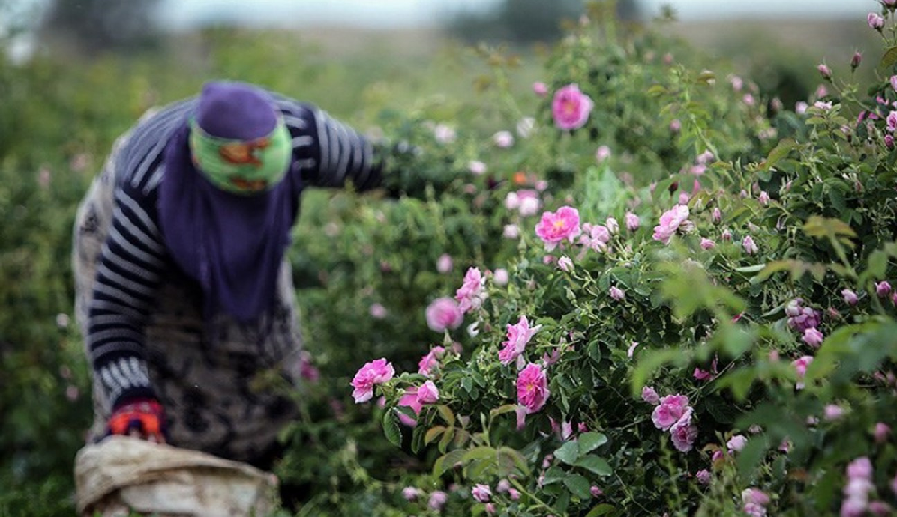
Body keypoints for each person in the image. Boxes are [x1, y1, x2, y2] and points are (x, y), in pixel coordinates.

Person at [72, 80, 396, 475]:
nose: (249, 205)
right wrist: (133, 400)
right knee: (160, 406)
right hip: (150, 233)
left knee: (270, 371)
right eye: (239, 192)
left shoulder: (305, 138)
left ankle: (269, 481)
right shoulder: (147, 189)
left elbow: (395, 167)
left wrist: (478, 186)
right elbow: (114, 313)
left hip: (257, 257)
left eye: (262, 191)